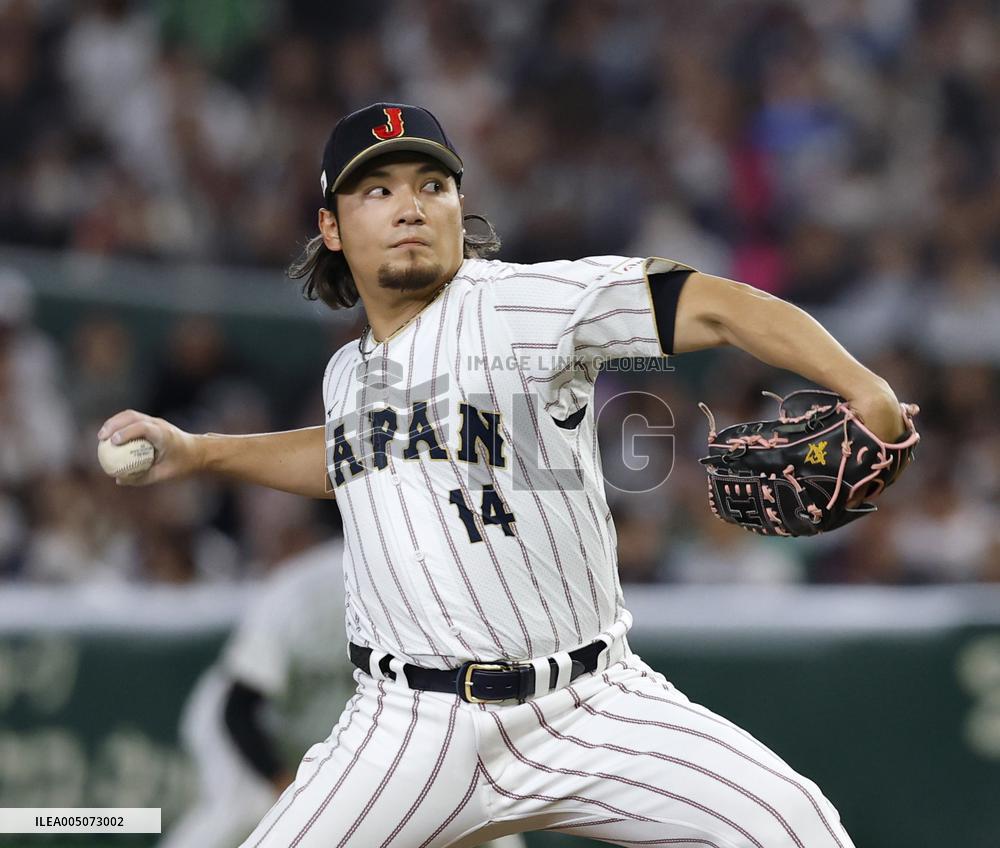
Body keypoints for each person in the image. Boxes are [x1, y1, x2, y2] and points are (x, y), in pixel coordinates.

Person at [100, 102, 909, 847]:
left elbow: (721, 305)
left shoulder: (525, 304)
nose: (410, 205)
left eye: (432, 184)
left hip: (591, 703)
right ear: (333, 227)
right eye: (377, 190)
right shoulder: (348, 371)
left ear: (460, 206)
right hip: (407, 727)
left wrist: (862, 386)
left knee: (797, 827)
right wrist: (201, 451)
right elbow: (355, 458)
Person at [159, 536, 524, 848]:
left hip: (335, 730)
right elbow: (237, 710)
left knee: (481, 814)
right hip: (252, 729)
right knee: (246, 811)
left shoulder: (435, 601)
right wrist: (285, 787)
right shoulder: (300, 597)